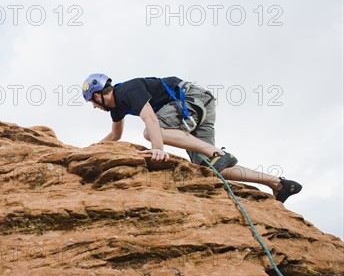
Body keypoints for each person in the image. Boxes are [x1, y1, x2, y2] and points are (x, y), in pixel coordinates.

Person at [82, 73, 302, 203]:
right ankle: (277, 183)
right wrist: (87, 151)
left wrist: (157, 147)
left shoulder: (127, 90)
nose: (93, 106)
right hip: (200, 105)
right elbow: (115, 135)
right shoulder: (116, 109)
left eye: (92, 100)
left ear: (100, 94)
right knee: (212, 168)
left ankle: (216, 153)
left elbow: (149, 116)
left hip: (190, 98)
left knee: (151, 131)